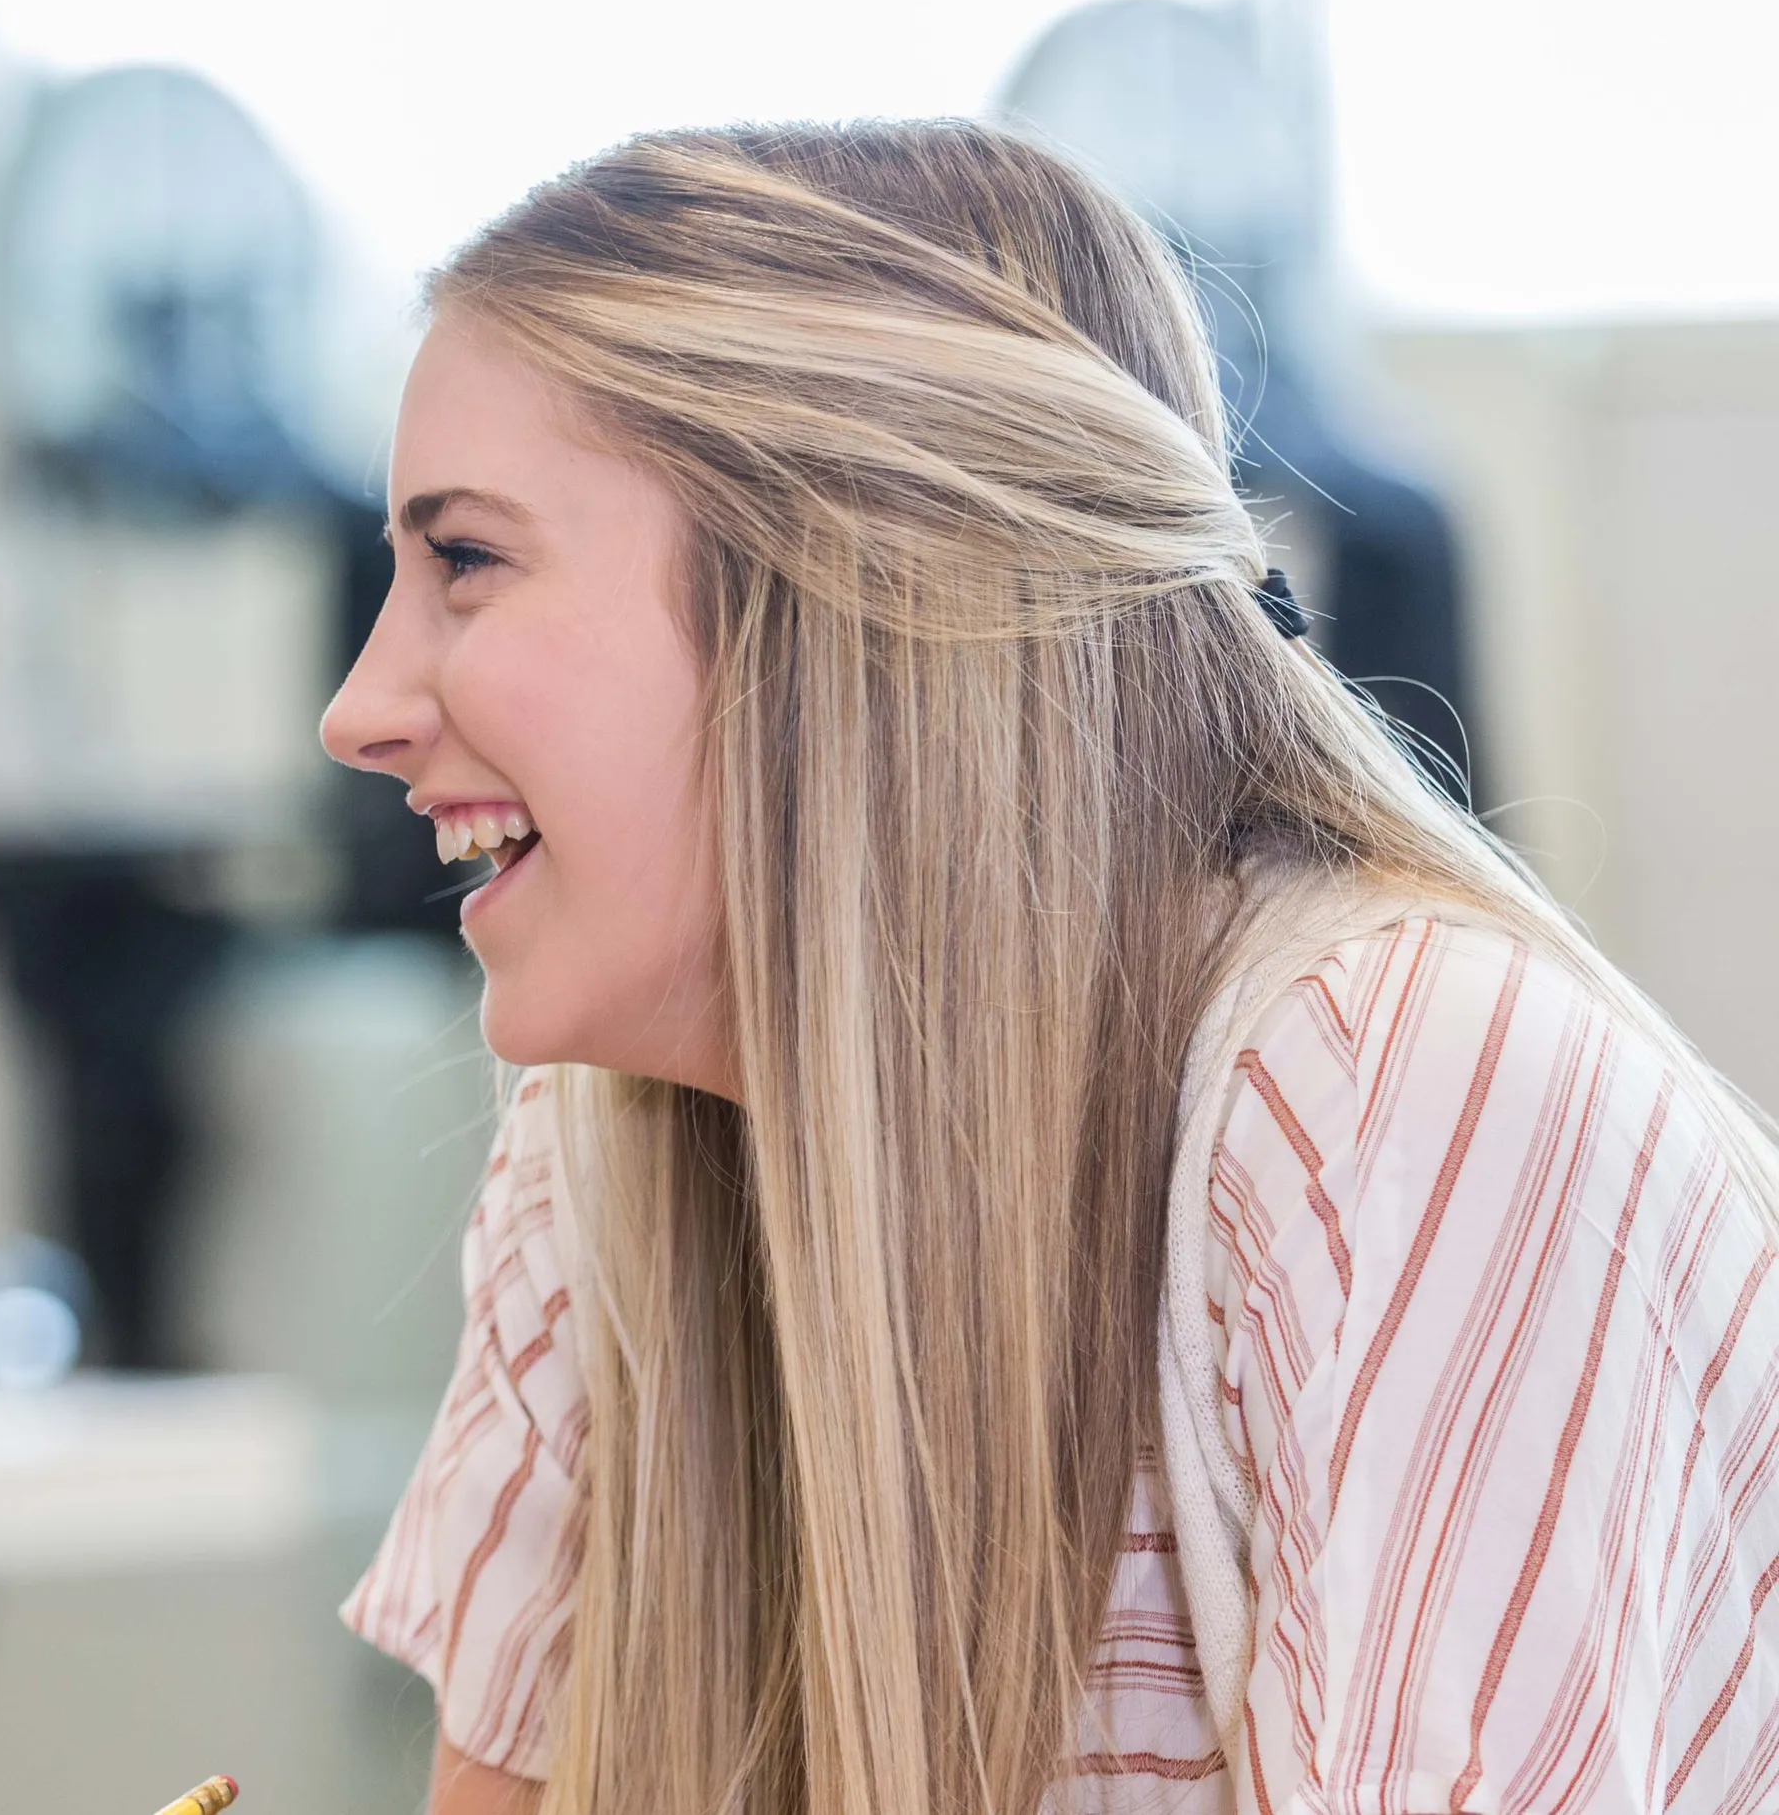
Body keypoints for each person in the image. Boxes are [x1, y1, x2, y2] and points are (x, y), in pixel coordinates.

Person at [323, 121, 1779, 1814]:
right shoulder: (608, 1162)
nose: (359, 709)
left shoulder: (1393, 1103)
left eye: (468, 563)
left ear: (853, 588)